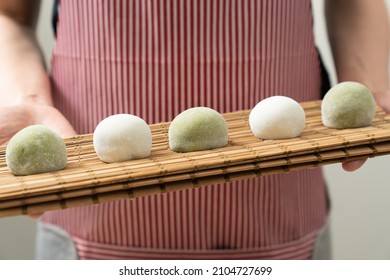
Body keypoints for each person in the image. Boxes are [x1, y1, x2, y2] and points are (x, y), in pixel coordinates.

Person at [0, 0, 388, 260]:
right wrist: (29, 99)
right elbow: (9, 12)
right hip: (90, 217)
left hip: (284, 211)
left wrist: (372, 86)